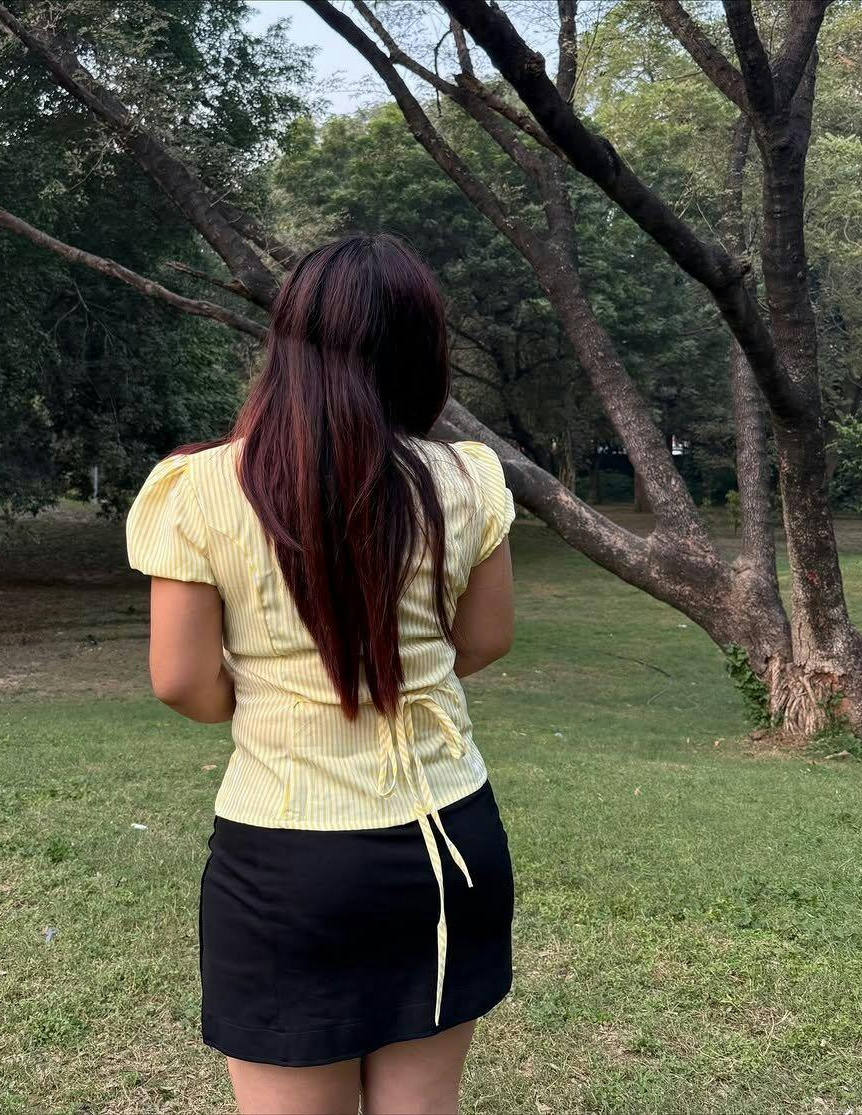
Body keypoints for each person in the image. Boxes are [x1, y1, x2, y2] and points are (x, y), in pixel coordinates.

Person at [125, 232, 516, 1115]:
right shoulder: (467, 479)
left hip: (287, 858)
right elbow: (486, 639)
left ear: (288, 342)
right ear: (421, 350)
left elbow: (181, 680)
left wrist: (265, 697)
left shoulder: (201, 488)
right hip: (447, 839)